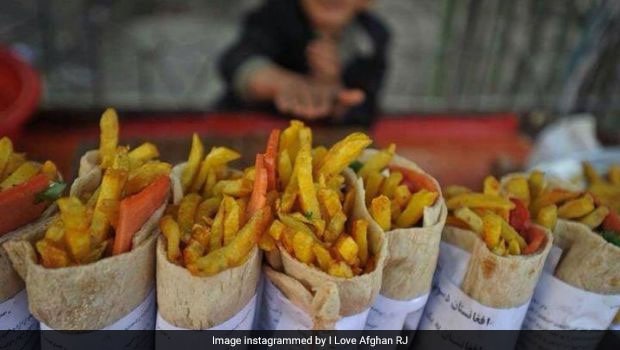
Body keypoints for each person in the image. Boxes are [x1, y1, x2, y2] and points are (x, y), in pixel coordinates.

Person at [217, 0, 390, 126]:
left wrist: (336, 99)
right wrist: (285, 85)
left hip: (322, 141)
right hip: (252, 129)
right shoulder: (276, 14)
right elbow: (239, 60)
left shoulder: (373, 35)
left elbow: (366, 105)